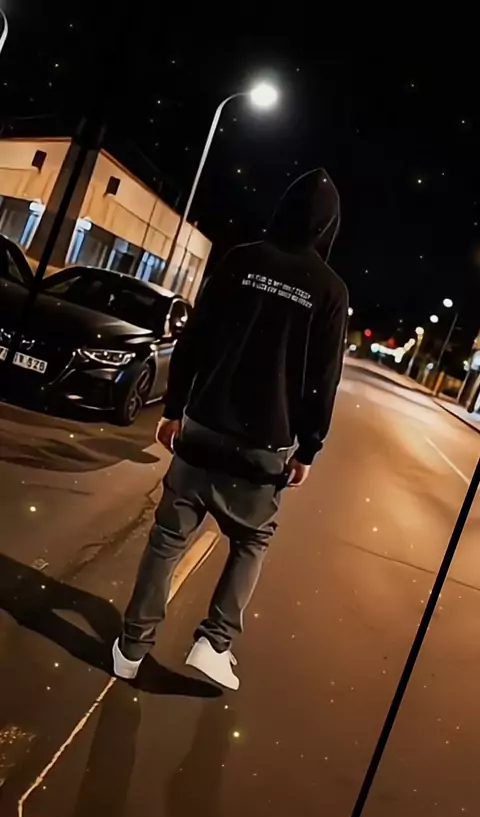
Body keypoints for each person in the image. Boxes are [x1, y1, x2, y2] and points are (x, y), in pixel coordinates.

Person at [113, 168, 348, 690]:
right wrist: (308, 448)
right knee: (251, 540)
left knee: (168, 538)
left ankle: (130, 647)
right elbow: (322, 380)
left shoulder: (241, 260)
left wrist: (174, 408)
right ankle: (214, 643)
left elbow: (195, 338)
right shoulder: (330, 290)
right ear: (327, 228)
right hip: (264, 443)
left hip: (204, 426)